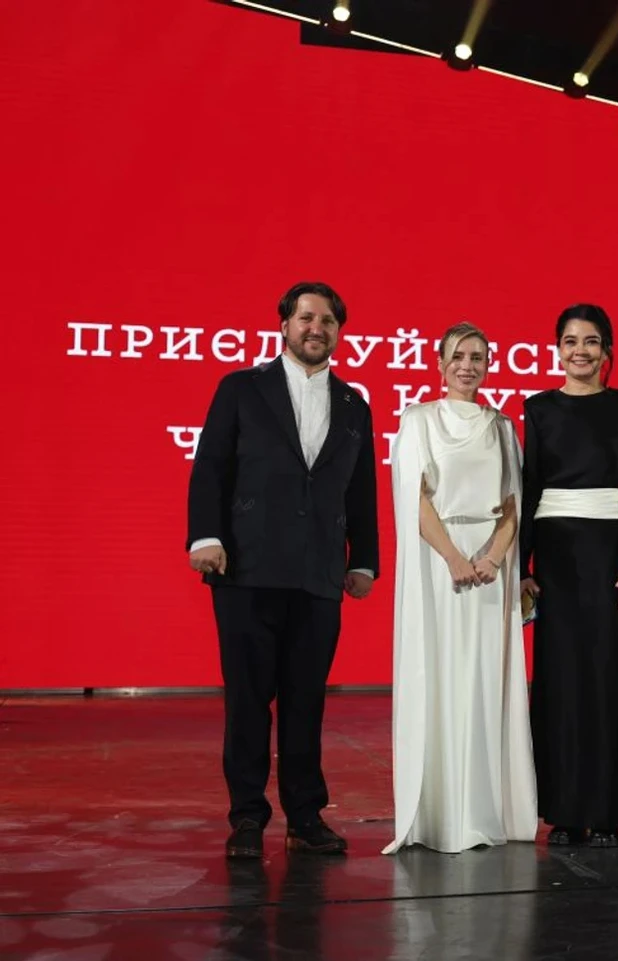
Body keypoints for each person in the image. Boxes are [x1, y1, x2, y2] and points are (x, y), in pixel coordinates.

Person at [186, 281, 380, 859]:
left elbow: (362, 491)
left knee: (307, 701)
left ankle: (305, 816)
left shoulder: (355, 406)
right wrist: (205, 536)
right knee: (248, 700)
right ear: (284, 326)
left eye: (327, 320)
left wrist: (364, 559)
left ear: (339, 333)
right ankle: (247, 818)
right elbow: (210, 468)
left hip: (318, 576)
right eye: (305, 318)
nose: (315, 327)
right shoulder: (242, 388)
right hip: (245, 567)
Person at [384, 322, 537, 854]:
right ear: (440, 361)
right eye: (459, 356)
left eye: (479, 356)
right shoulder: (419, 420)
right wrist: (453, 558)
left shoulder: (501, 426)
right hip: (440, 564)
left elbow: (514, 501)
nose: (469, 365)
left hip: (491, 568)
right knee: (444, 676)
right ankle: (440, 816)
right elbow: (414, 498)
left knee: (482, 679)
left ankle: (485, 810)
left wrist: (494, 556)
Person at [519, 304, 618, 848]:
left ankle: (605, 814)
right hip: (553, 561)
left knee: (604, 680)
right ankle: (562, 813)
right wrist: (524, 567)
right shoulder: (538, 409)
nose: (580, 350)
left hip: (610, 559)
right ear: (557, 349)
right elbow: (528, 492)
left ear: (607, 352)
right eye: (571, 341)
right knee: (556, 682)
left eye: (591, 341)